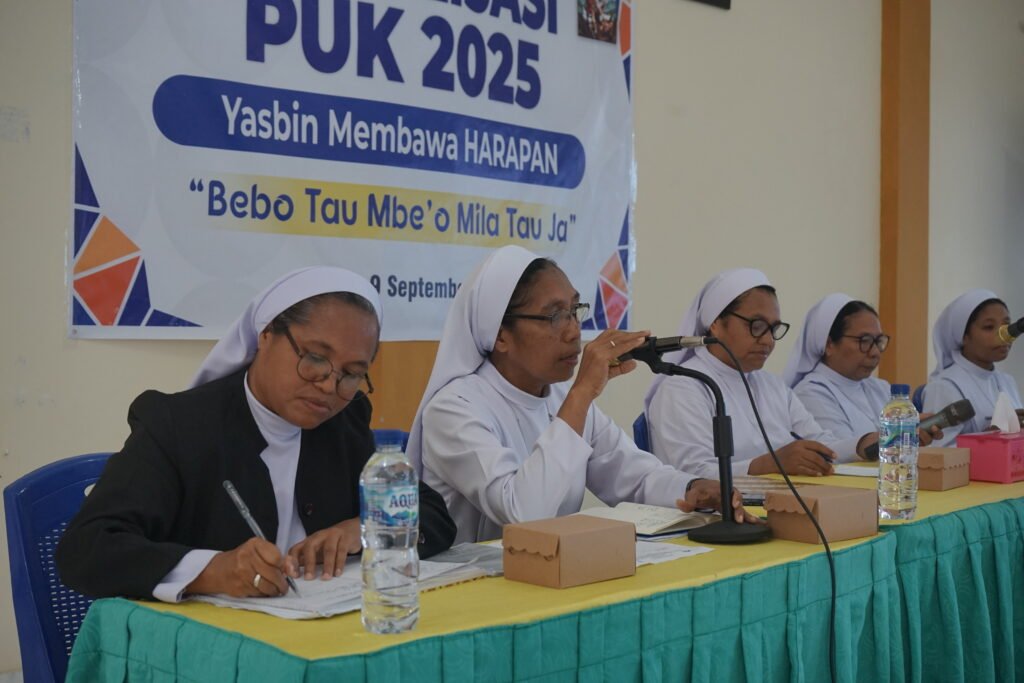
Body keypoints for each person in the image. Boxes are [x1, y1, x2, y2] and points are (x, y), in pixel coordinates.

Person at [57, 267, 456, 601]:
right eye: (315, 358)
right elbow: (87, 548)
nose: (329, 386)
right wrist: (213, 570)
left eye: (352, 374)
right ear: (266, 335)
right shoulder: (177, 426)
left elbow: (434, 515)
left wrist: (364, 530)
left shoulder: (343, 423)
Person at [405, 246, 756, 544]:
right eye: (555, 316)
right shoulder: (453, 409)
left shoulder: (561, 396)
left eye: (574, 311)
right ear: (500, 335)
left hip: (554, 575)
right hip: (471, 589)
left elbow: (634, 476)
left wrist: (693, 488)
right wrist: (583, 392)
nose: (574, 331)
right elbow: (523, 515)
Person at [646, 269, 865, 481]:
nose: (768, 340)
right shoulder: (683, 388)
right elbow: (693, 474)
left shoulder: (772, 385)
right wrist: (770, 464)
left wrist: (863, 445)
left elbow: (820, 443)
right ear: (715, 324)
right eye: (757, 326)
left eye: (773, 329)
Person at [783, 294, 940, 453]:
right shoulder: (811, 393)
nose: (875, 352)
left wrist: (916, 430)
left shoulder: (880, 387)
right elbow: (839, 454)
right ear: (829, 344)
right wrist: (898, 436)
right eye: (864, 341)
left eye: (878, 341)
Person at [924, 289, 1023, 445]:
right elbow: (938, 451)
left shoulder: (1007, 381)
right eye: (989, 327)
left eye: (1006, 325)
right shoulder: (945, 386)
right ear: (964, 336)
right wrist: (990, 436)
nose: (1004, 335)